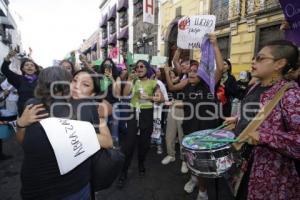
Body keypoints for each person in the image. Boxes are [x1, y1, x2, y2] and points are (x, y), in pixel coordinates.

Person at [15, 67, 112, 200]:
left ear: (93, 94)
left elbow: (107, 142)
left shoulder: (90, 109)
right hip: (38, 189)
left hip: (76, 187)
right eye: (75, 80)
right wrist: (20, 124)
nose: (76, 86)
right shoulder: (35, 106)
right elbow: (24, 143)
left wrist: (68, 129)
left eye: (85, 84)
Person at [226, 40, 300, 200]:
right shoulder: (255, 86)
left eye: (260, 58)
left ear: (279, 64)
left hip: (271, 176)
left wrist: (264, 137)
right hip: (245, 165)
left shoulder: (290, 95)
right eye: (254, 58)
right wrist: (238, 120)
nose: (253, 61)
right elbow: (259, 115)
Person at [118, 60, 165, 187]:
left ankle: (141, 163)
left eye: (142, 66)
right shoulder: (133, 80)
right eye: (137, 67)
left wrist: (149, 98)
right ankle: (124, 171)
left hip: (147, 114)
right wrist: (129, 78)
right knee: (129, 144)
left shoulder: (153, 83)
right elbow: (124, 94)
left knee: (144, 143)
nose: (139, 68)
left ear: (147, 68)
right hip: (133, 114)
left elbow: (161, 99)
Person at [1, 49, 40, 115]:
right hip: (24, 111)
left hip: (39, 110)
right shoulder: (18, 79)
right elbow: (4, 69)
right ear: (22, 69)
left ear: (35, 69)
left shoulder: (41, 80)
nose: (29, 66)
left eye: (32, 65)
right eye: (26, 65)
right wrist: (8, 56)